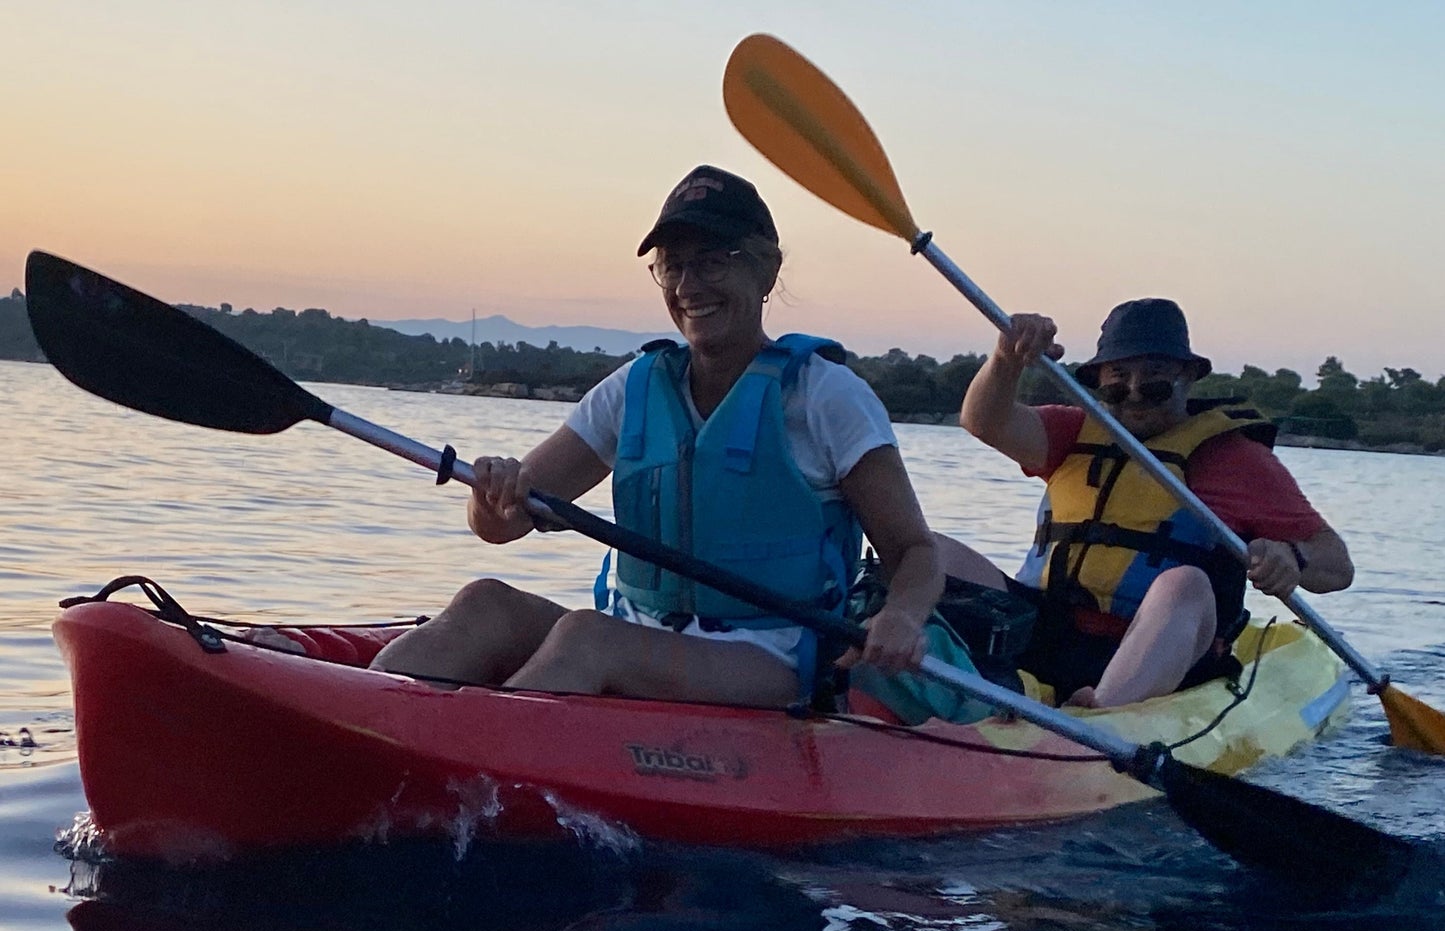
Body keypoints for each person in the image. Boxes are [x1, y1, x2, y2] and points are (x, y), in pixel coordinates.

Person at [370, 165, 942, 708]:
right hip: (639, 632)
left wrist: (902, 617)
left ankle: (468, 773)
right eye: (674, 266)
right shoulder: (635, 389)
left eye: (715, 261)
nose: (690, 284)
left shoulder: (826, 397)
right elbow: (505, 524)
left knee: (587, 639)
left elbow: (914, 551)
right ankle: (365, 721)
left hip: (771, 656)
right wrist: (488, 497)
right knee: (484, 603)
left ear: (766, 270)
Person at [937, 298, 1354, 708]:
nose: (1134, 393)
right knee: (931, 550)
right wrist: (1006, 359)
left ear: (1188, 376)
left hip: (1158, 649)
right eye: (1118, 379)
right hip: (1045, 629)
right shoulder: (1075, 430)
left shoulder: (1237, 459)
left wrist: (1292, 558)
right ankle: (908, 669)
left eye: (1154, 378)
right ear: (1100, 380)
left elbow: (1337, 566)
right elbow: (984, 421)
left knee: (1184, 583)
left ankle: (1100, 716)